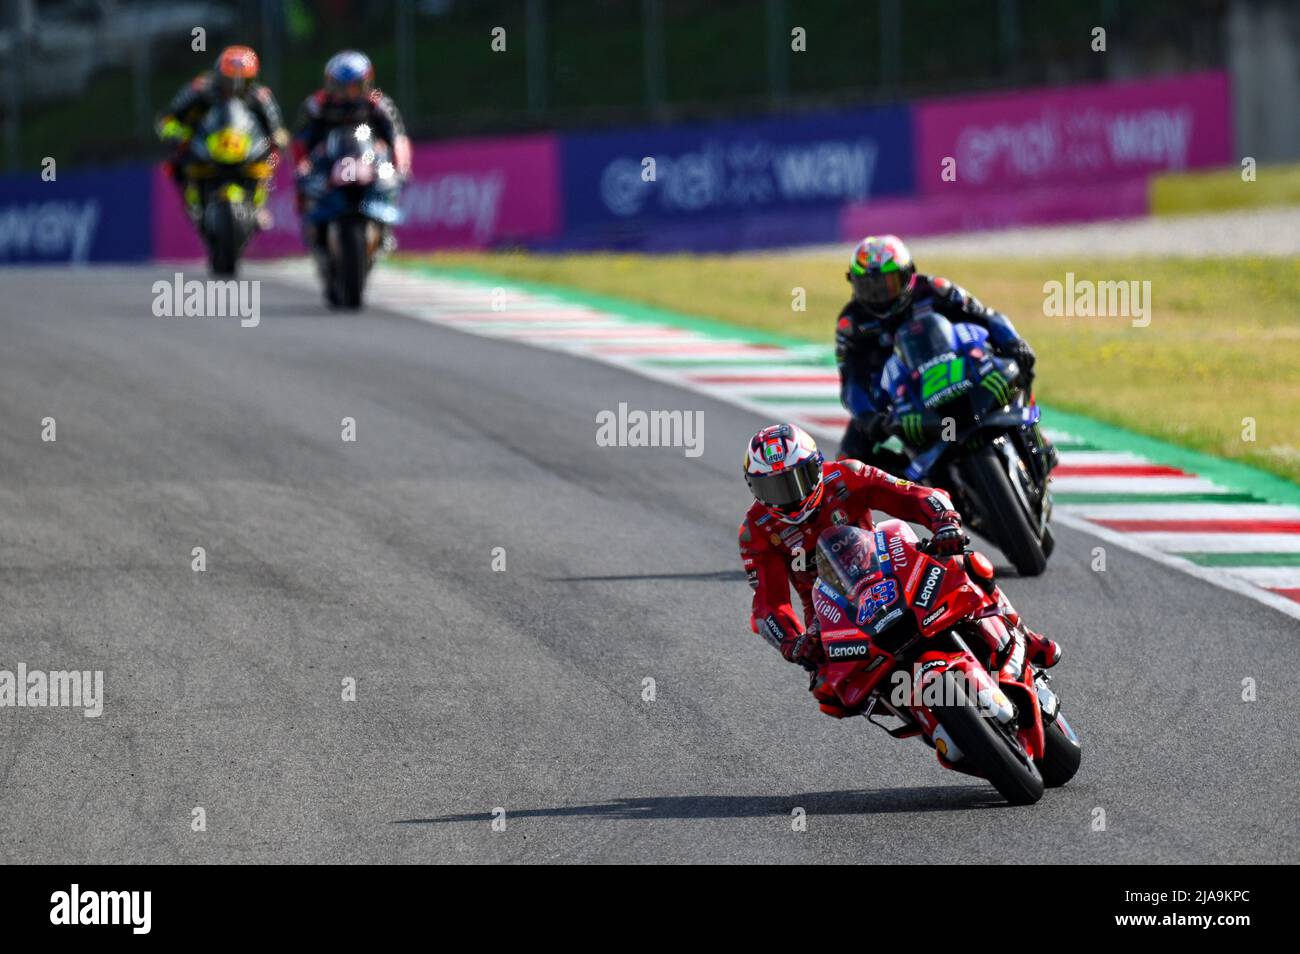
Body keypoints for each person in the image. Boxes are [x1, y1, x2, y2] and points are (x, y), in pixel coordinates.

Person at [738, 423, 1061, 710]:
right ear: (755, 489)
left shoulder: (846, 475)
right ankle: (921, 714)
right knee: (828, 693)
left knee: (964, 564)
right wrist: (793, 643)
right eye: (775, 488)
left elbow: (910, 495)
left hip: (888, 570)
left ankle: (1022, 633)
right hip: (830, 615)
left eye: (796, 480)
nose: (789, 498)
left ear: (817, 467)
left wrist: (943, 522)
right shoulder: (758, 530)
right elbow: (769, 604)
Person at [835, 234, 1053, 470]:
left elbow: (986, 316)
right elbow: (852, 382)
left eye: (887, 284)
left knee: (1019, 363)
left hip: (957, 367)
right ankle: (914, 487)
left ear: (908, 274)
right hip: (899, 394)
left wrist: (1013, 341)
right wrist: (868, 417)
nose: (879, 296)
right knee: (849, 459)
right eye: (869, 287)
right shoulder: (852, 323)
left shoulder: (934, 289)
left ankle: (1034, 437)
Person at [291, 50, 412, 261]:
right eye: (341, 87)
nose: (348, 94)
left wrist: (401, 165)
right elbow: (301, 141)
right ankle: (311, 228)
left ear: (367, 83)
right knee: (304, 185)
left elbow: (398, 137)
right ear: (330, 84)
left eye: (355, 86)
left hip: (368, 160)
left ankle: (385, 229)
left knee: (391, 177)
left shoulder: (379, 103)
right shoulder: (317, 104)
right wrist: (302, 165)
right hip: (329, 162)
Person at [156, 45, 288, 228]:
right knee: (174, 159)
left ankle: (259, 202)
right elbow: (168, 119)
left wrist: (278, 138)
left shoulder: (260, 96)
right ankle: (192, 200)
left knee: (273, 154)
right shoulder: (200, 89)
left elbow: (277, 129)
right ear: (219, 75)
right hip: (204, 144)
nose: (235, 87)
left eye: (243, 81)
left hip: (247, 147)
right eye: (230, 80)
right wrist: (178, 133)